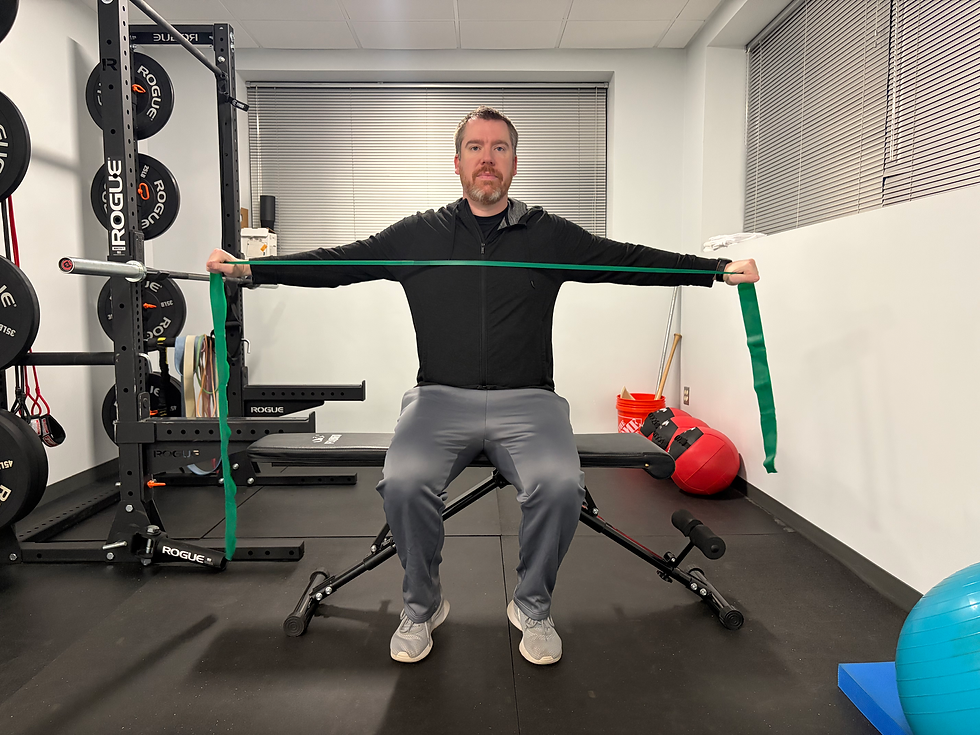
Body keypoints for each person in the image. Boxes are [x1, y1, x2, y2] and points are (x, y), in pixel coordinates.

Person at [207, 106, 759, 666]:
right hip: (439, 399)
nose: (487, 158)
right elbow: (339, 263)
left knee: (561, 485)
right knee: (403, 481)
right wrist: (252, 270)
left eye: (499, 148)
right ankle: (422, 606)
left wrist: (713, 271)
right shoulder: (420, 233)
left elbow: (627, 262)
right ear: (457, 162)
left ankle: (532, 606)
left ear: (514, 163)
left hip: (530, 401)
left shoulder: (547, 233)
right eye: (475, 147)